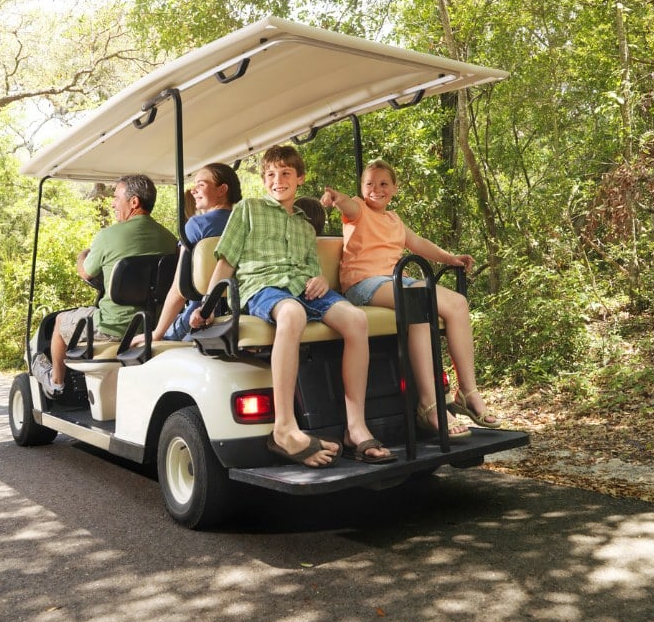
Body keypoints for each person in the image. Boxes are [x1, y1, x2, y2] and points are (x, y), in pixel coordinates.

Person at [193, 144, 395, 468]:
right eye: (271, 174)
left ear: (300, 178)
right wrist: (207, 307)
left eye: (286, 173)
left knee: (356, 319)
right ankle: (284, 428)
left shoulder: (304, 225)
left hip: (306, 288)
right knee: (292, 312)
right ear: (263, 180)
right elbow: (227, 261)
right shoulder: (248, 209)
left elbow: (312, 269)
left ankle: (355, 427)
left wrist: (322, 281)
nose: (278, 180)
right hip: (263, 287)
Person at [321, 160, 504, 435]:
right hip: (363, 284)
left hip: (396, 281)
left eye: (383, 184)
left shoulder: (394, 220)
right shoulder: (358, 210)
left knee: (457, 303)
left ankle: (468, 392)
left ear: (394, 188)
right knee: (419, 298)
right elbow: (347, 205)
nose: (376, 189)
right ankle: (430, 406)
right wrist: (337, 199)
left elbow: (418, 244)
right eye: (369, 183)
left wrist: (450, 258)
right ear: (361, 188)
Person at [33, 174, 178, 398]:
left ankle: (56, 383)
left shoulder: (108, 236)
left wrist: (82, 255)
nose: (112, 203)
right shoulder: (169, 239)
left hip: (112, 327)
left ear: (134, 202)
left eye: (116, 197)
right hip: (151, 325)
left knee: (60, 321)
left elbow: (86, 272)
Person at [147, 163, 242, 342]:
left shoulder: (197, 226)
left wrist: (157, 333)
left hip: (200, 313)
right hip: (238, 308)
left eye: (201, 185)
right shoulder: (245, 221)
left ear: (222, 189)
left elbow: (179, 288)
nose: (193, 191)